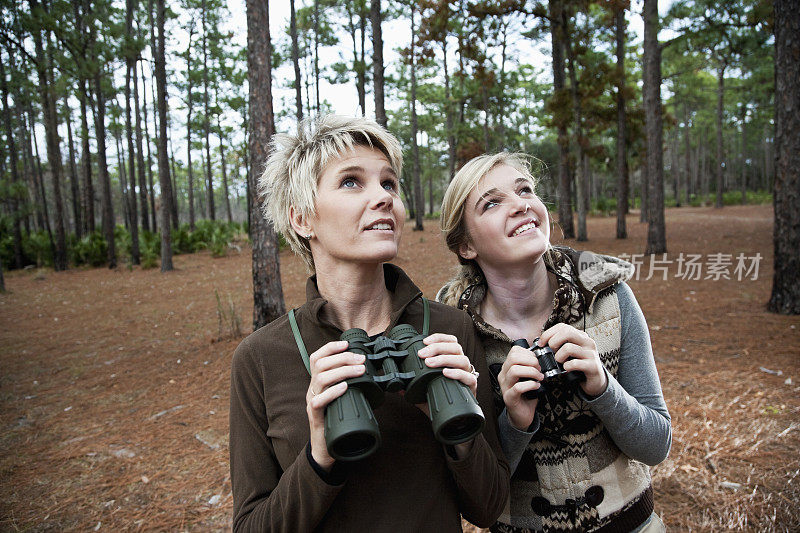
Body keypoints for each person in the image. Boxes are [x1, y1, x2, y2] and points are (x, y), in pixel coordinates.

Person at [229, 115, 509, 532]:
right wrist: (319, 457)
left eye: (389, 183)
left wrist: (463, 433)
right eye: (351, 182)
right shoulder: (263, 358)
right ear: (302, 218)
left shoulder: (449, 328)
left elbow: (488, 508)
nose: (383, 198)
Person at [436, 152, 672, 532]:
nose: (521, 204)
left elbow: (656, 446)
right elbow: (475, 497)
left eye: (525, 190)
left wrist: (603, 386)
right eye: (492, 203)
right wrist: (514, 421)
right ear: (466, 246)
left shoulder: (609, 299)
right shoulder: (457, 337)